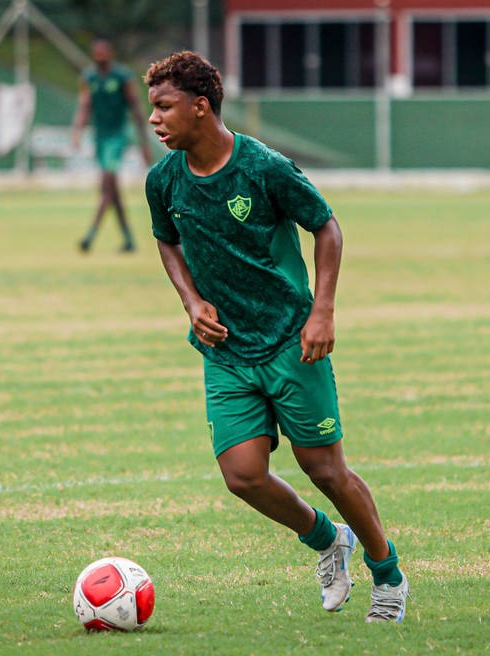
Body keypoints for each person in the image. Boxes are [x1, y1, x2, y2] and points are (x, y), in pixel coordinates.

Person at [143, 51, 409, 623]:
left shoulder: (263, 167)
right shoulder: (162, 179)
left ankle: (388, 575)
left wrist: (323, 311)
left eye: (164, 107)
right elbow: (167, 240)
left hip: (293, 339)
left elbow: (327, 227)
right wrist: (191, 302)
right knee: (242, 475)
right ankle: (326, 540)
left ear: (200, 106)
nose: (155, 120)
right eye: (152, 109)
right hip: (225, 349)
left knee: (326, 470)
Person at [71, 37, 152, 253]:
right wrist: (76, 132)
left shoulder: (123, 77)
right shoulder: (89, 78)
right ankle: (129, 240)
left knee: (107, 184)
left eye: (102, 52)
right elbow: (84, 105)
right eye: (95, 53)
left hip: (118, 137)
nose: (99, 57)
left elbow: (136, 108)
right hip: (100, 136)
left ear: (110, 53)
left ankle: (90, 236)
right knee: (113, 191)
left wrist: (144, 143)